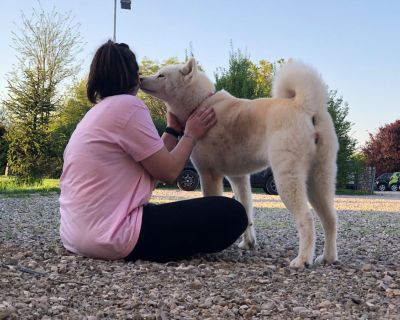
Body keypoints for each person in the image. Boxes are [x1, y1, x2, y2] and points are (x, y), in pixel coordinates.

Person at [59, 40, 248, 262]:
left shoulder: (95, 114)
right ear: (135, 77)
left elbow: (154, 164)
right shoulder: (129, 107)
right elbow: (168, 173)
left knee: (166, 213)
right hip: (112, 237)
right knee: (232, 213)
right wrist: (191, 134)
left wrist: (172, 130)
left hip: (75, 235)